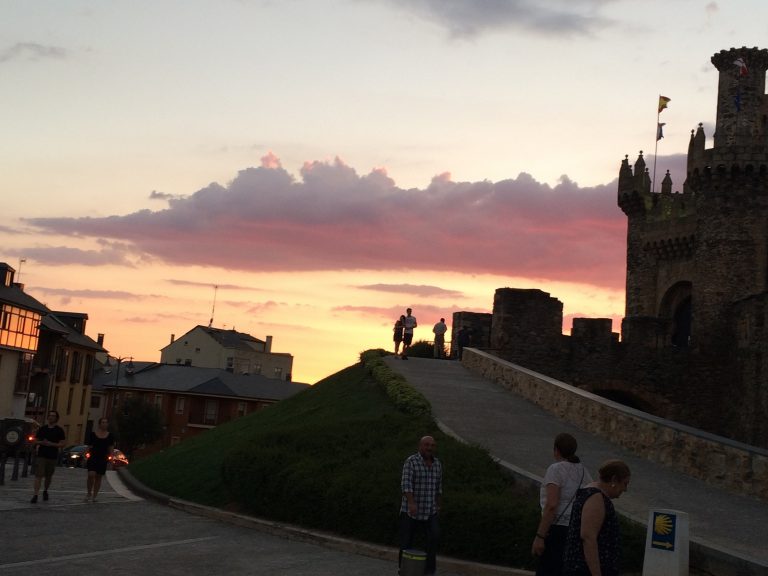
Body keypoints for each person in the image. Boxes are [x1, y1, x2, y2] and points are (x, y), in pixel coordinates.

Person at [532, 433, 593, 576]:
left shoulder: (556, 469)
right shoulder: (584, 472)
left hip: (557, 529)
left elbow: (552, 504)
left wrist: (540, 536)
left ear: (556, 450)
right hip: (576, 529)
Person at [563, 460, 631, 576]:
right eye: (625, 483)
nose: (625, 489)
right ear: (614, 480)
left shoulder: (592, 493)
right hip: (586, 569)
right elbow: (588, 537)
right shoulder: (596, 497)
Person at [400, 435, 442, 576]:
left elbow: (438, 487)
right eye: (426, 445)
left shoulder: (437, 464)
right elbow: (406, 485)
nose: (429, 448)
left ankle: (429, 571)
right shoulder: (411, 462)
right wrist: (411, 503)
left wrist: (438, 504)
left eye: (432, 445)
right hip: (411, 511)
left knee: (434, 538)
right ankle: (403, 570)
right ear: (420, 446)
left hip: (430, 511)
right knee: (407, 541)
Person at [31, 410, 66, 503]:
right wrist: (41, 442)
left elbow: (62, 444)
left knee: (48, 476)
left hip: (52, 455)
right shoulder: (42, 429)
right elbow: (35, 440)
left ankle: (45, 490)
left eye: (53, 416)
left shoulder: (59, 430)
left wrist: (51, 444)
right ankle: (35, 495)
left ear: (56, 418)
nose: (51, 417)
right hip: (42, 454)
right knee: (38, 475)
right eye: (50, 415)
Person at [85, 417, 115, 502]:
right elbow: (89, 446)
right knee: (91, 474)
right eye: (102, 422)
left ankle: (95, 495)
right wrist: (85, 456)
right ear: (99, 424)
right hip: (93, 457)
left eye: (106, 422)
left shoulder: (110, 436)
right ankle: (89, 493)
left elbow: (111, 448)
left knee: (98, 477)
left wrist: (111, 458)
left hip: (102, 458)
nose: (104, 424)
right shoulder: (93, 434)